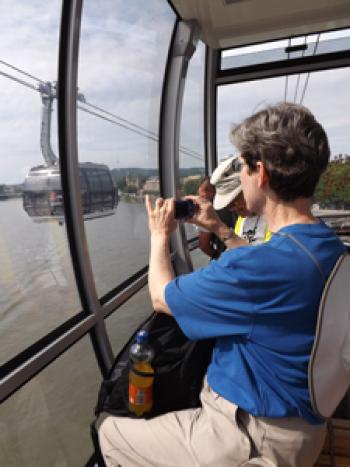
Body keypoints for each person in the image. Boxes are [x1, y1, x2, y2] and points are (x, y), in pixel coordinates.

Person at [99, 102, 346, 467]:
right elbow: (271, 267)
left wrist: (158, 236)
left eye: (243, 167)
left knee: (109, 432)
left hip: (249, 437)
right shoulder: (328, 246)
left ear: (260, 172)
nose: (242, 178)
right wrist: (217, 228)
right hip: (306, 429)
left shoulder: (256, 268)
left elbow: (161, 297)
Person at [211, 156, 270, 245]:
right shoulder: (242, 219)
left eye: (233, 203)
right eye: (228, 206)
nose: (231, 209)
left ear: (246, 189)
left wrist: (219, 228)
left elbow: (269, 257)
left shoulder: (276, 219)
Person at [197, 176, 234, 259]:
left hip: (225, 255)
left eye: (201, 196)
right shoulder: (234, 205)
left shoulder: (209, 214)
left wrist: (218, 257)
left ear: (210, 192)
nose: (199, 199)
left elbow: (203, 245)